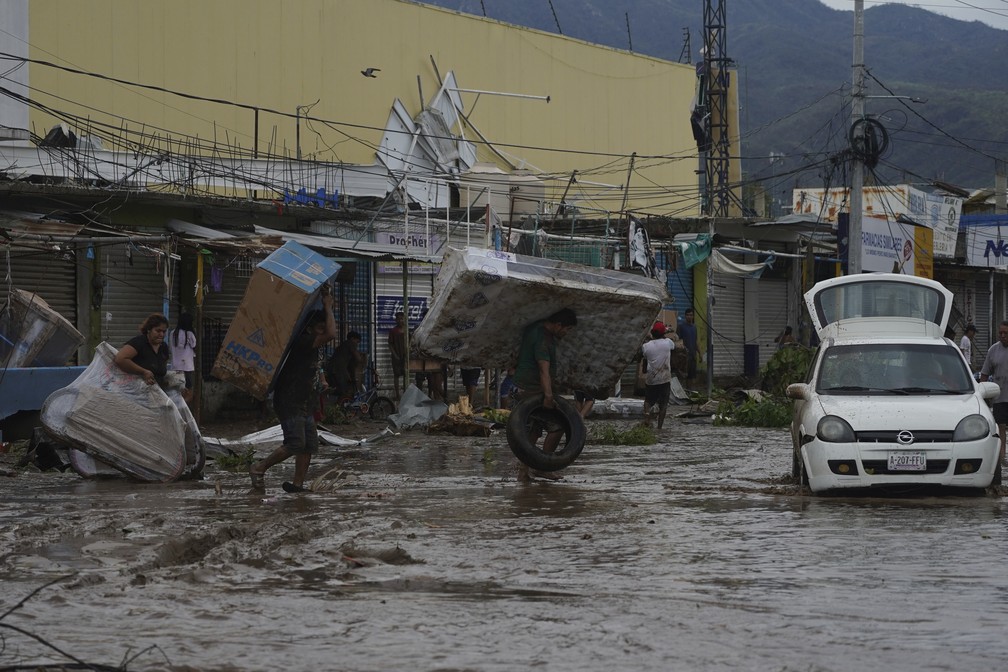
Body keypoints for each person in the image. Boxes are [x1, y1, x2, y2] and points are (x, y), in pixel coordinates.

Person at [250, 288, 338, 493]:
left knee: (309, 446)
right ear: (309, 329)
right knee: (295, 443)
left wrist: (322, 380)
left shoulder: (314, 346)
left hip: (306, 403)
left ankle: (297, 485)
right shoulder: (304, 341)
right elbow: (332, 334)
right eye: (320, 328)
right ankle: (259, 467)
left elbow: (317, 366)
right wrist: (327, 306)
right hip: (290, 401)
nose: (323, 332)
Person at [514, 308, 578, 478]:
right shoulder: (544, 340)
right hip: (534, 389)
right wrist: (549, 396)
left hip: (524, 385)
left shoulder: (534, 328)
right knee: (557, 426)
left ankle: (524, 471)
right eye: (567, 329)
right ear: (558, 325)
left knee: (532, 431)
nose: (567, 333)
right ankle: (542, 467)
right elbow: (544, 371)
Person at [114, 313, 171, 388]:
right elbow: (120, 359)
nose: (161, 334)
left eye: (164, 331)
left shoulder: (163, 347)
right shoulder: (139, 343)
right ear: (149, 330)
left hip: (157, 393)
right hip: (135, 392)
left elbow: (162, 368)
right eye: (158, 331)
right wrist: (143, 372)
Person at [980, 320, 1008, 469]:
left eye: (1006, 333)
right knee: (1000, 427)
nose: (1003, 336)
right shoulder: (993, 350)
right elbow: (984, 374)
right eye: (1001, 333)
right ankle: (1002, 457)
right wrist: (982, 395)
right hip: (999, 397)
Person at [639, 321, 675, 429]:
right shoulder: (668, 343)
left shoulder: (646, 346)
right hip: (664, 379)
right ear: (663, 334)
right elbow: (674, 346)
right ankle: (659, 428)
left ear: (652, 333)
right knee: (663, 405)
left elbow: (644, 357)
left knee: (648, 401)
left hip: (651, 380)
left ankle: (646, 419)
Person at [326, 331, 362, 400]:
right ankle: (340, 406)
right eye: (357, 342)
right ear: (352, 338)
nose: (357, 345)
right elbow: (358, 358)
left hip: (333, 368)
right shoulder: (350, 343)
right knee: (345, 389)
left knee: (341, 388)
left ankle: (339, 405)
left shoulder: (344, 345)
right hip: (337, 369)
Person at [170, 312, 197, 402]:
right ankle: (186, 405)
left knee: (177, 388)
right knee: (188, 387)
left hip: (175, 365)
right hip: (187, 366)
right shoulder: (189, 334)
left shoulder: (173, 333)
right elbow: (194, 344)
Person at [677, 308, 700, 384]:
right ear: (685, 316)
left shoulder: (694, 327)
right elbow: (678, 342)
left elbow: (695, 341)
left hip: (692, 355)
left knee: (691, 377)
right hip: (684, 356)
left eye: (691, 315)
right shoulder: (681, 327)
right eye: (687, 315)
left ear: (693, 316)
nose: (689, 317)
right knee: (683, 377)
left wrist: (699, 353)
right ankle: (683, 394)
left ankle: (690, 393)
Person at [388, 311, 407, 398]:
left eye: (402, 319)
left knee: (405, 375)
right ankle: (397, 394)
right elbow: (390, 344)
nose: (400, 321)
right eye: (398, 319)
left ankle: (405, 394)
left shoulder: (406, 330)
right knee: (396, 375)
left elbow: (410, 342)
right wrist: (395, 355)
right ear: (396, 320)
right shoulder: (393, 331)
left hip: (405, 357)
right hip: (396, 357)